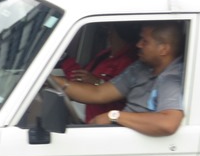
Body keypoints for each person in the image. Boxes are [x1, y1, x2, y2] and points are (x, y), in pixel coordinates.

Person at [55, 22, 184, 136]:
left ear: (163, 49)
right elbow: (98, 93)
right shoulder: (141, 68)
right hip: (121, 135)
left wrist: (114, 116)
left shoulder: (172, 79)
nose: (138, 45)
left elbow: (168, 123)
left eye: (145, 41)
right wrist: (55, 81)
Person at [59, 23, 138, 123]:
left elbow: (106, 92)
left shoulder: (130, 63)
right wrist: (64, 59)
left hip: (105, 124)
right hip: (89, 116)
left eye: (110, 30)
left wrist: (98, 82)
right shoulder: (105, 55)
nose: (108, 33)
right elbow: (79, 77)